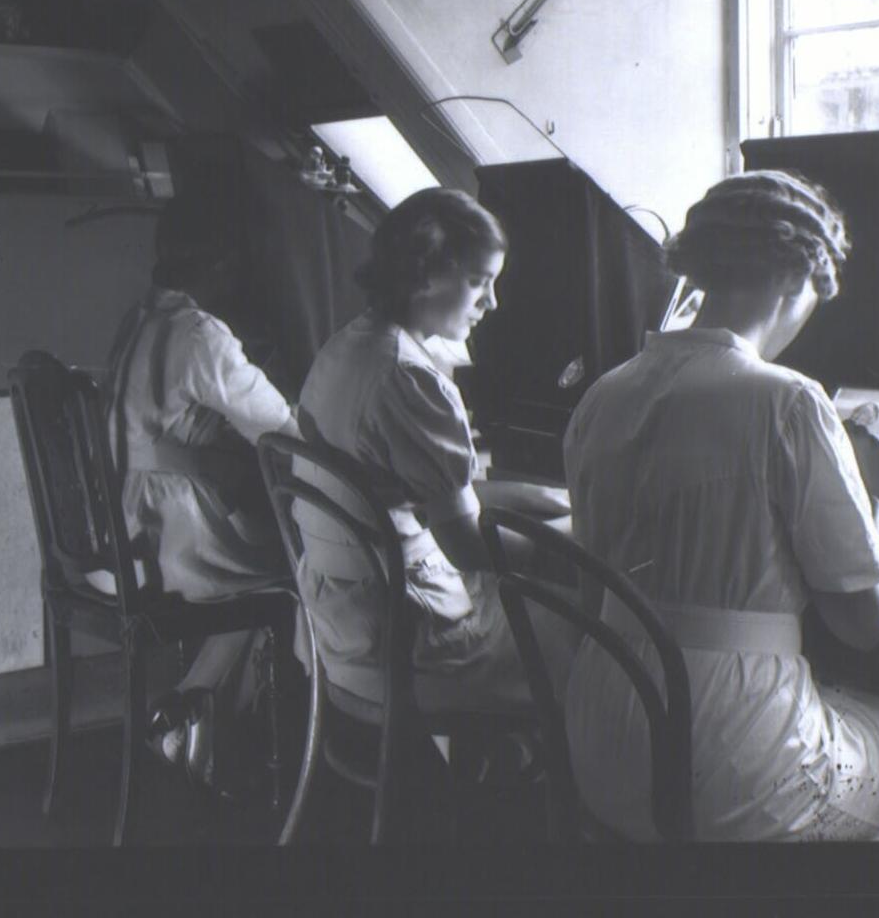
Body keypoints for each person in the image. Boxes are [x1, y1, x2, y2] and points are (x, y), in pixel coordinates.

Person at [561, 169, 879, 841]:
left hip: (601, 740)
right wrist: (868, 493)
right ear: (792, 275)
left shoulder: (602, 394)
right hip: (727, 760)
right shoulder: (786, 399)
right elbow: (865, 621)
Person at [294, 187, 572, 727]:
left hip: (339, 620)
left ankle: (492, 772)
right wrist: (569, 545)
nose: (491, 302)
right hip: (406, 639)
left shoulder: (347, 348)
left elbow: (420, 495)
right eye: (479, 282)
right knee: (592, 630)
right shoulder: (410, 377)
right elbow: (467, 545)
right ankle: (539, 794)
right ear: (423, 275)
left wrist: (541, 498)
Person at [105, 191, 296, 796]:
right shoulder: (198, 332)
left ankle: (197, 722)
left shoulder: (137, 321)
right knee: (290, 570)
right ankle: (196, 712)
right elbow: (282, 429)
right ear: (220, 264)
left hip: (118, 528)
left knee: (266, 559)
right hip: (163, 536)